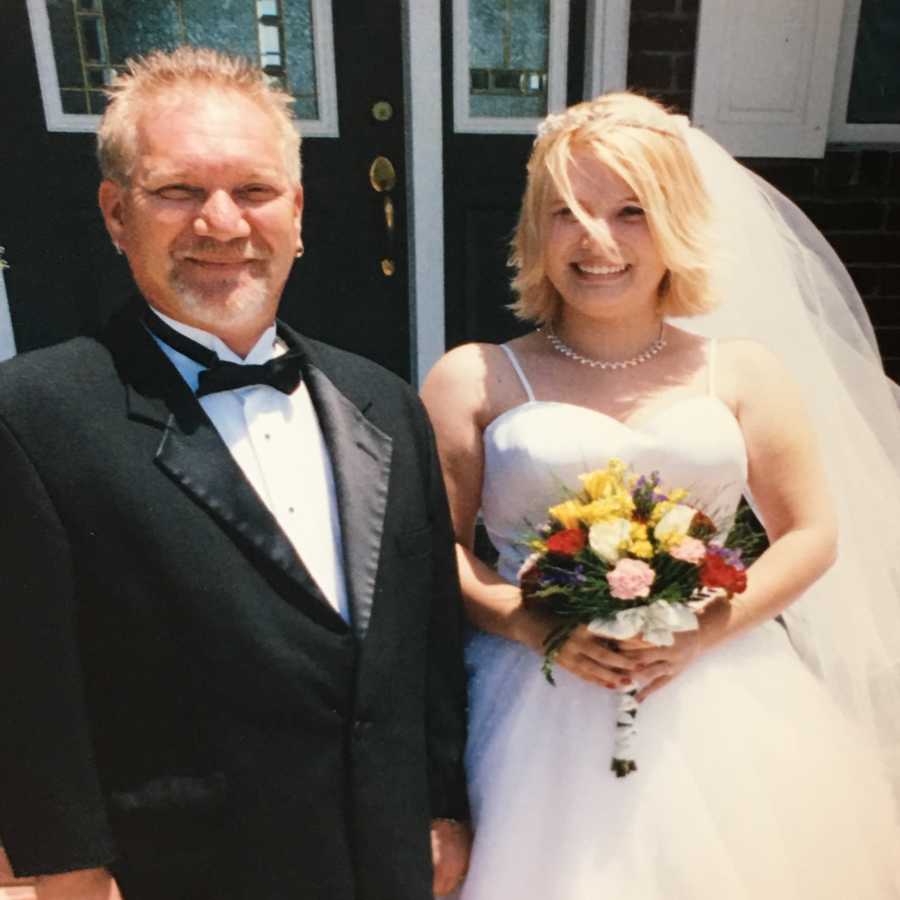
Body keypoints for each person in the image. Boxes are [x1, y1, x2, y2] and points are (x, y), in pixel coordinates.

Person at [0, 47, 470, 900]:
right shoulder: (34, 414)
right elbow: (29, 679)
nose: (221, 224)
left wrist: (440, 809)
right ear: (115, 213)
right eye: (177, 191)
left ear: (296, 210)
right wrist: (68, 873)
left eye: (253, 191)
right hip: (188, 870)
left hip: (388, 856)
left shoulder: (384, 398)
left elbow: (428, 636)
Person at [422, 92, 900, 899]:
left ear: (674, 222)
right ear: (537, 230)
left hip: (720, 693)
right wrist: (528, 621)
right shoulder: (474, 375)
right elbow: (435, 549)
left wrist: (704, 631)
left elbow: (811, 534)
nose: (596, 239)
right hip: (531, 702)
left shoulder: (743, 371)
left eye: (631, 210)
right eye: (568, 211)